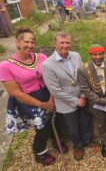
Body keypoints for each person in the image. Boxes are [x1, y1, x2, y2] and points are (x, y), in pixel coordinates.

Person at [0, 27, 67, 166]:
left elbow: (51, 78)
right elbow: (15, 93)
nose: (30, 45)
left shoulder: (40, 57)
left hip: (48, 94)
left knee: (55, 118)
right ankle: (39, 152)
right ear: (17, 42)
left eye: (32, 42)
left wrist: (51, 99)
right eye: (26, 42)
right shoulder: (6, 66)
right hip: (28, 100)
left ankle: (56, 139)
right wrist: (42, 105)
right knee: (41, 127)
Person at [42, 32, 94, 161]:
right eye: (62, 43)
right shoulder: (47, 65)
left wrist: (83, 95)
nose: (65, 45)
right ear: (55, 43)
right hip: (66, 102)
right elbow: (55, 90)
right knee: (72, 127)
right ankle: (77, 146)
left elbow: (83, 76)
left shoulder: (75, 56)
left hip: (82, 96)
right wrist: (76, 101)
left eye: (68, 43)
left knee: (85, 120)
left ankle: (87, 140)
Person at [77, 45, 106, 157]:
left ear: (104, 54)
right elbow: (85, 88)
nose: (98, 57)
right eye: (95, 54)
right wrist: (99, 100)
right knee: (100, 123)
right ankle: (105, 142)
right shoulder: (83, 69)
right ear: (90, 55)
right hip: (95, 103)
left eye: (100, 54)